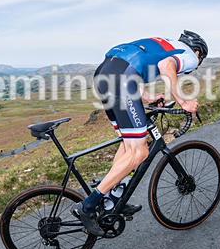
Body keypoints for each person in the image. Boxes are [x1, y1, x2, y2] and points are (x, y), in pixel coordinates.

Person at [73, 31, 208, 236]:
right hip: (122, 80)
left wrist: (147, 96)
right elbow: (166, 67)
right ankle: (88, 206)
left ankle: (111, 198)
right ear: (198, 52)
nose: (195, 65)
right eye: (199, 61)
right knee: (140, 153)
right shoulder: (188, 54)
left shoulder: (163, 44)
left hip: (104, 73)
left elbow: (130, 65)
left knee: (128, 145)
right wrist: (184, 101)